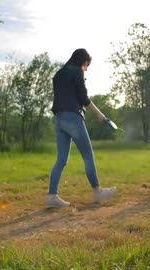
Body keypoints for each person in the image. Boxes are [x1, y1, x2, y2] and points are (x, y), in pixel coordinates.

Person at [46, 48, 116, 208]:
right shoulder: (77, 72)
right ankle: (97, 191)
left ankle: (51, 196)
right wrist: (100, 115)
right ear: (82, 62)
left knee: (61, 159)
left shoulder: (58, 74)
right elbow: (83, 98)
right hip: (73, 118)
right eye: (86, 65)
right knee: (88, 156)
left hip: (59, 119)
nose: (86, 69)